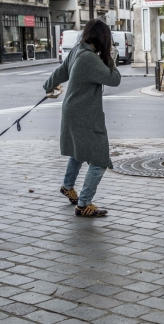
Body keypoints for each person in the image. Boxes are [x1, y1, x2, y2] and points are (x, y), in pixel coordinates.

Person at [43, 20, 121, 217]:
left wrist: (48, 86)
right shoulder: (90, 59)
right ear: (104, 39)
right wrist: (110, 57)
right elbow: (115, 79)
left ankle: (67, 186)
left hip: (72, 111)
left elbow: (60, 72)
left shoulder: (77, 50)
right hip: (85, 115)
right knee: (100, 158)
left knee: (79, 152)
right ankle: (84, 204)